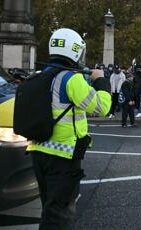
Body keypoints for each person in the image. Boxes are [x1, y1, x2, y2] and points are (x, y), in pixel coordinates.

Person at [27, 28, 111, 229]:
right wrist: (101, 81)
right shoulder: (70, 79)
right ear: (74, 51)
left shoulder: (38, 76)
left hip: (38, 151)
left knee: (49, 207)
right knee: (60, 214)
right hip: (63, 155)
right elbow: (102, 107)